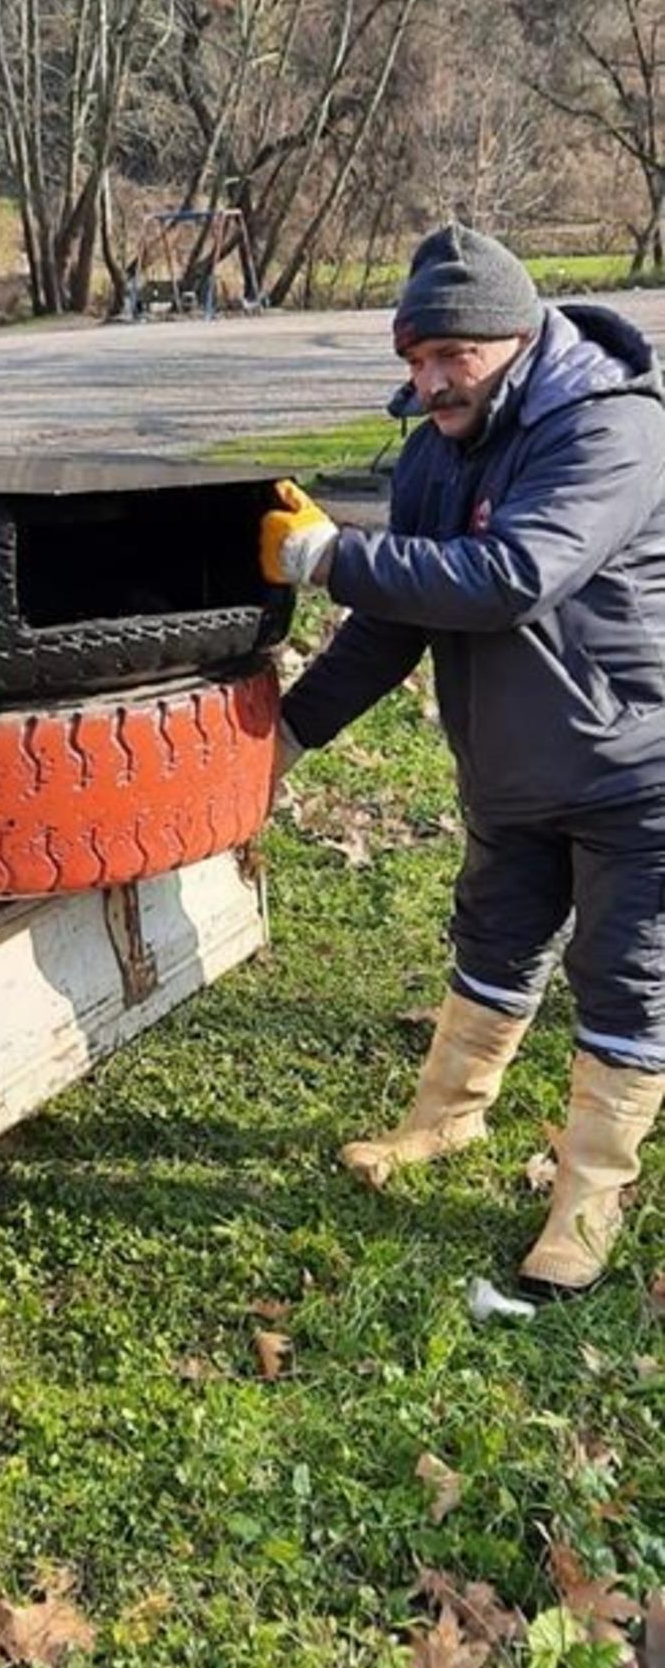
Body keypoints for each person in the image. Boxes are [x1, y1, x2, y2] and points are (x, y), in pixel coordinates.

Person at [259, 223, 665, 1292]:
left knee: (624, 981)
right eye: (414, 359)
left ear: (518, 337)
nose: (431, 381)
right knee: (491, 942)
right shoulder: (441, 446)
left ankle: (584, 1206)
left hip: (638, 771)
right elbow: (395, 619)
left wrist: (332, 554)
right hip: (510, 769)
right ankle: (447, 1121)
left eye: (453, 357)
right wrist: (289, 736)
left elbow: (512, 575)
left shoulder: (608, 431)